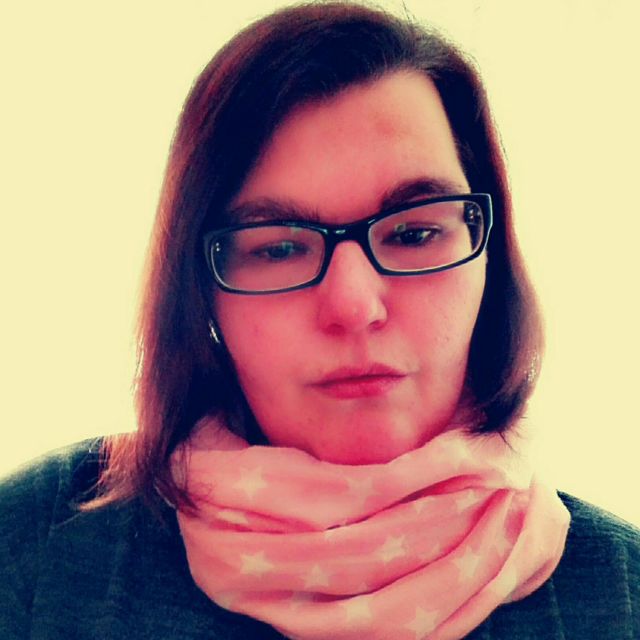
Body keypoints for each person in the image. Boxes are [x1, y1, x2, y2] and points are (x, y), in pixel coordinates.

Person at [1, 2, 638, 639]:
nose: (355, 307)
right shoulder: (41, 545)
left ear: (489, 259)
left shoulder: (622, 592)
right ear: (198, 293)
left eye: (415, 233)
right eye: (278, 248)